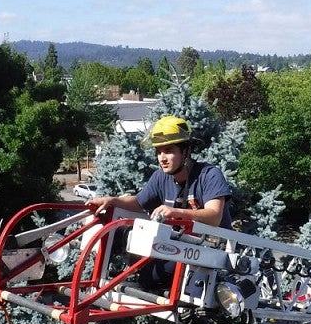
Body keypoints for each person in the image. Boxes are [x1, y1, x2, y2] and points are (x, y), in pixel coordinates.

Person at [86, 115, 232, 289]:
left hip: (212, 251)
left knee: (150, 277)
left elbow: (214, 216)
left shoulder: (209, 175)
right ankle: (96, 282)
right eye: (159, 151)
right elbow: (139, 202)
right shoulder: (160, 177)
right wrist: (113, 200)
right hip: (178, 246)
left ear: (186, 151)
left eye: (169, 150)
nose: (162, 158)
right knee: (117, 233)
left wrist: (178, 213)